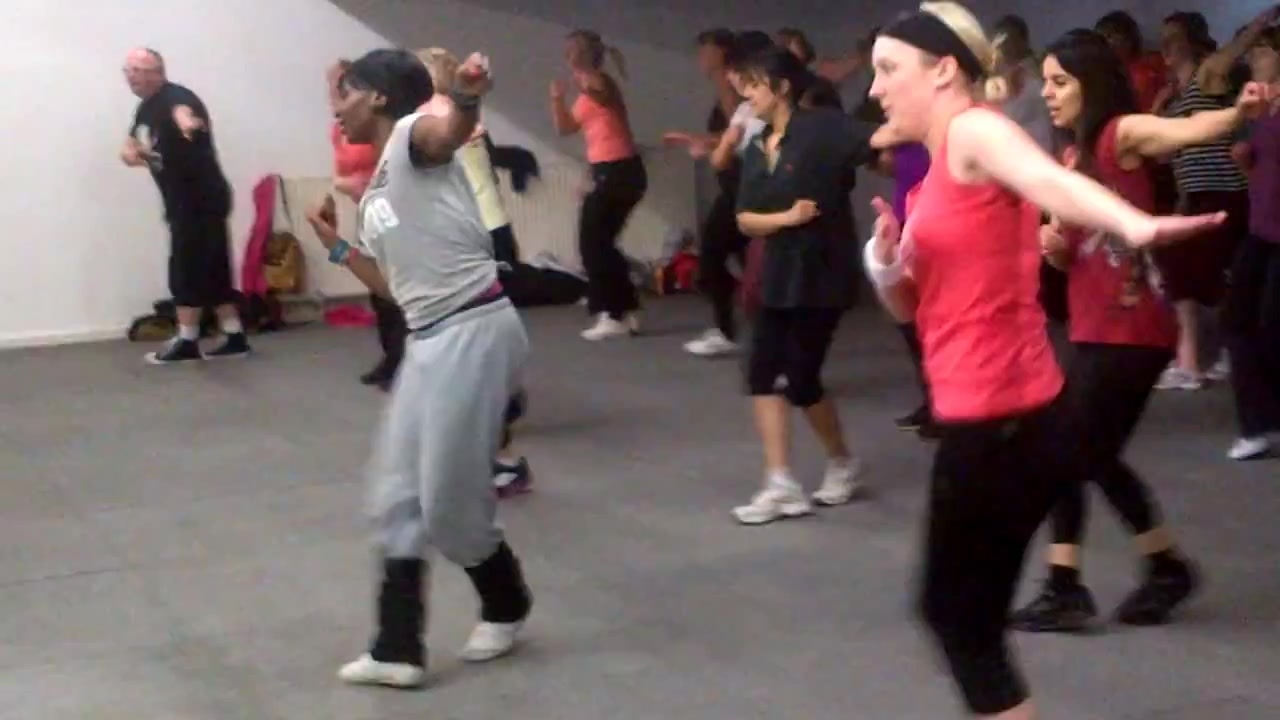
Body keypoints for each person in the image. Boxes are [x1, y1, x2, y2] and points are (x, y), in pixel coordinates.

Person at [863, 4, 1224, 717]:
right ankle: (1076, 582)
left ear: (943, 72)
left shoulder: (973, 129)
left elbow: (1045, 178)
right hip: (1002, 419)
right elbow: (912, 312)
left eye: (887, 70)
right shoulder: (933, 182)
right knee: (965, 619)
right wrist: (884, 262)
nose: (875, 88)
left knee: (959, 620)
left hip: (998, 426)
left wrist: (1132, 221)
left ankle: (1086, 584)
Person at [1010, 29, 1268, 634]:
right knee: (1091, 455)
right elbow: (1077, 253)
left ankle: (1068, 586)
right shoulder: (1072, 157)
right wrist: (1054, 247)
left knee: (1067, 451)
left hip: (1133, 327)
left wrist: (1237, 113)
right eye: (1045, 82)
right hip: (1096, 324)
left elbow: (1182, 130)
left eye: (1060, 82)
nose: (1048, 94)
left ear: (1091, 82)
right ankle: (1162, 569)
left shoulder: (1118, 134)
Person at [307, 48, 532, 689]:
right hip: (430, 336)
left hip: (472, 329)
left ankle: (506, 601)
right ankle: (396, 648)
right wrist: (338, 247)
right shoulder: (380, 181)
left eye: (346, 92)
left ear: (379, 97)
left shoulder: (411, 137)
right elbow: (394, 289)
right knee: (395, 494)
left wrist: (465, 95)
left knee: (448, 504)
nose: (336, 107)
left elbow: (448, 131)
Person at [729, 45, 877, 525]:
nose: (747, 94)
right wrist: (787, 218)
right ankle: (781, 483)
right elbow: (745, 218)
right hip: (778, 274)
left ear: (782, 87)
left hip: (823, 275)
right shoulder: (757, 146)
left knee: (801, 377)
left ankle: (842, 462)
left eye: (754, 85)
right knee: (761, 372)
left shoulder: (822, 128)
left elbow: (882, 138)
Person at [417, 46, 533, 495]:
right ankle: (493, 446)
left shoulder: (437, 114)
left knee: (479, 345)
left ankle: (499, 454)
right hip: (483, 232)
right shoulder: (449, 114)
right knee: (475, 345)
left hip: (480, 236)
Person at [1151, 8, 1275, 390]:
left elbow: (1232, 52)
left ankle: (1195, 361)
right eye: (1163, 37)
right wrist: (1160, 104)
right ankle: (1212, 355)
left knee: (1190, 271)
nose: (1165, 45)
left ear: (1192, 42)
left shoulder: (1208, 74)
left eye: (1174, 38)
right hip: (1197, 194)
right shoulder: (1178, 93)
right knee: (1197, 274)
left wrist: (1260, 23)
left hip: (1223, 191)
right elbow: (1161, 152)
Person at [120, 48, 249, 364]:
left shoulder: (176, 98)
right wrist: (132, 153)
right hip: (183, 198)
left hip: (199, 198)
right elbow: (132, 143)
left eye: (137, 70)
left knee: (185, 267)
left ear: (157, 72)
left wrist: (188, 124)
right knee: (213, 268)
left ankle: (188, 339)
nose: (131, 77)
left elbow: (184, 115)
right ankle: (234, 336)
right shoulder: (146, 108)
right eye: (127, 71)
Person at [549, 30, 648, 341]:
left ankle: (613, 313)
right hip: (611, 171)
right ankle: (625, 309)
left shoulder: (601, 82)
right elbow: (565, 127)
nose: (567, 55)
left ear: (586, 53)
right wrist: (556, 99)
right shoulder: (585, 91)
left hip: (620, 171)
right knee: (600, 243)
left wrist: (584, 79)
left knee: (593, 243)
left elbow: (603, 97)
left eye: (572, 50)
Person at [663, 29, 751, 357]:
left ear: (723, 53)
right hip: (735, 183)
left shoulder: (731, 84)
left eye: (706, 51)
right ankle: (756, 327)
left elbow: (740, 134)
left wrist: (698, 141)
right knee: (747, 260)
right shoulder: (725, 86)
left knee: (713, 254)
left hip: (742, 185)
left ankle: (727, 329)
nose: (700, 57)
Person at [327, 59, 405, 391]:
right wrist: (331, 241)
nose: (334, 96)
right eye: (332, 87)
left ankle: (408, 361)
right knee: (379, 289)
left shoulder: (387, 130)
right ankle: (392, 357)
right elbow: (339, 175)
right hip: (366, 210)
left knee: (396, 286)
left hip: (392, 209)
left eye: (342, 87)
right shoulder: (341, 128)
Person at [1223, 27, 1280, 461]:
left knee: (1272, 324)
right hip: (1262, 230)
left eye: (1263, 51)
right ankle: (1258, 426)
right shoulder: (1260, 106)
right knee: (1237, 320)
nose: (1255, 58)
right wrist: (1244, 161)